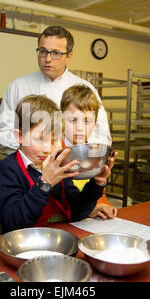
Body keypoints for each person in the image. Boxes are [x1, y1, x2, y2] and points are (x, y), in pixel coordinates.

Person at [0, 95, 115, 232]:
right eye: (39, 139)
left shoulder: (59, 165)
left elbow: (76, 212)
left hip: (58, 237)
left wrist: (96, 184)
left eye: (53, 140)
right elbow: (13, 222)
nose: (47, 149)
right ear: (20, 136)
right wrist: (45, 183)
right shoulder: (9, 169)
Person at [0, 25, 111, 153]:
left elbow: (101, 137)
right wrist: (31, 143)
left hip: (70, 168)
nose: (47, 59)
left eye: (55, 53)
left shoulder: (86, 89)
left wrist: (75, 153)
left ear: (69, 56)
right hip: (26, 169)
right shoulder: (18, 87)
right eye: (43, 51)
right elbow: (0, 134)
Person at [60, 84, 117, 219]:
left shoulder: (95, 152)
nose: (79, 128)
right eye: (72, 120)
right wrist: (90, 210)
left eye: (87, 121)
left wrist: (103, 205)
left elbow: (99, 192)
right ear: (61, 120)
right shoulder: (53, 152)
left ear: (95, 122)